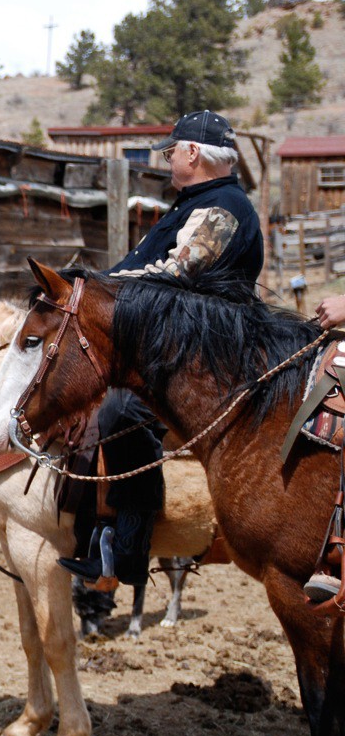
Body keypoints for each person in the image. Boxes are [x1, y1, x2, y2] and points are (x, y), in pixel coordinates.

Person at [60, 110, 264, 589]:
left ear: (193, 152)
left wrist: (92, 287)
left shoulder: (224, 208)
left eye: (171, 152)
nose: (168, 160)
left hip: (201, 349)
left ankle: (127, 547)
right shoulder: (193, 202)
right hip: (168, 340)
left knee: (120, 411)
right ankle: (91, 531)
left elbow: (175, 275)